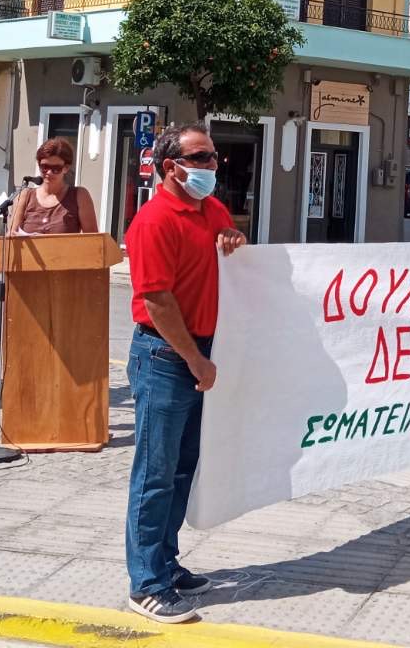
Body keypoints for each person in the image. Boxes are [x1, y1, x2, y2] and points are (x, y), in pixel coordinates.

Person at [124, 124, 245, 624]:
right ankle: (146, 583)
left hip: (200, 354)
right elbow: (157, 300)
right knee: (154, 474)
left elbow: (228, 237)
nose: (211, 165)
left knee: (180, 469)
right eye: (200, 157)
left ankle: (166, 564)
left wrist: (233, 236)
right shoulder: (153, 221)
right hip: (166, 357)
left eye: (214, 157)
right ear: (170, 166)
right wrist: (196, 361)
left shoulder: (208, 208)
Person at [10, 137, 98, 235]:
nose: (49, 172)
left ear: (66, 168)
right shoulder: (25, 196)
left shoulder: (80, 195)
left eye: (56, 168)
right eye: (44, 167)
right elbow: (11, 237)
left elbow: (93, 240)